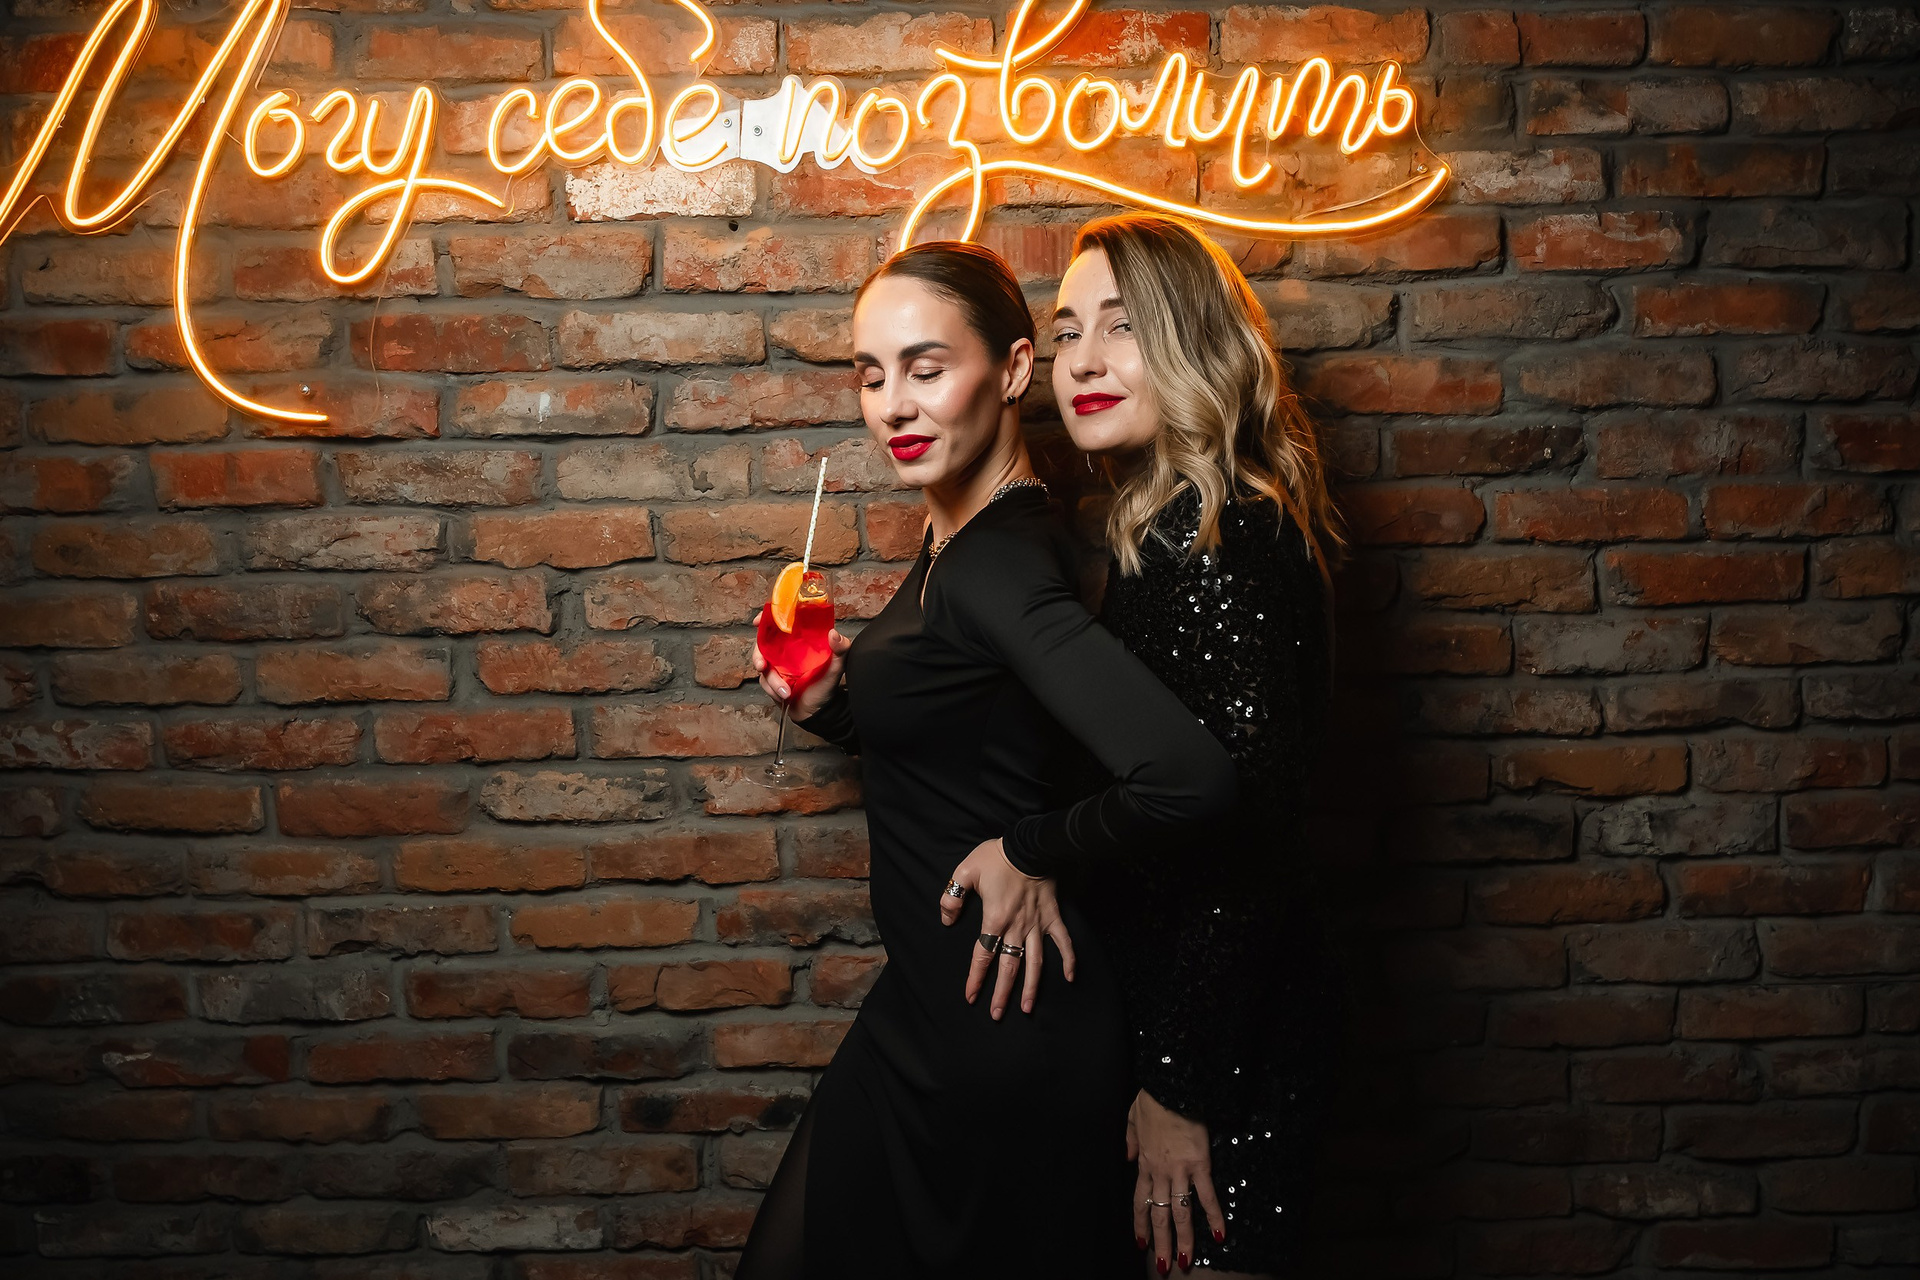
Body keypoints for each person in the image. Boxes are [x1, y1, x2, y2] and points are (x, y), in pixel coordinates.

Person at [733, 240, 1238, 1279]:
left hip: (1002, 1033)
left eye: (926, 369)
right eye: (871, 376)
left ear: (1011, 371)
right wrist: (833, 707)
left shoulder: (998, 565)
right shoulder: (963, 540)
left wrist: (1031, 848)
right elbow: (981, 748)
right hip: (927, 1012)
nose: (894, 407)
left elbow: (1190, 778)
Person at [1049, 213, 1346, 1279]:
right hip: (1202, 1026)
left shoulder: (1218, 540)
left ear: (1192, 342)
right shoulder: (1178, 524)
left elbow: (1251, 836)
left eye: (1121, 326)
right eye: (1067, 331)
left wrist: (1180, 1086)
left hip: (1226, 1055)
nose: (1083, 360)